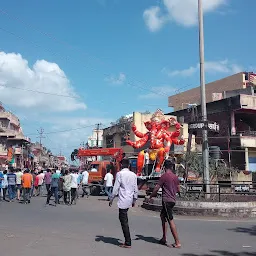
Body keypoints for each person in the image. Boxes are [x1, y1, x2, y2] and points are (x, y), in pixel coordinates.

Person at [147, 159, 181, 249]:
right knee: (163, 216)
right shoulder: (175, 177)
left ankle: (177, 242)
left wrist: (151, 196)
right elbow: (178, 189)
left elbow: (156, 188)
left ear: (165, 168)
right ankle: (164, 238)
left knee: (170, 220)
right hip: (173, 200)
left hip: (166, 200)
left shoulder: (164, 176)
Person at [109, 158, 138, 248]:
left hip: (123, 200)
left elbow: (116, 187)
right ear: (129, 165)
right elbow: (135, 188)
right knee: (123, 218)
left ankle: (128, 242)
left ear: (121, 165)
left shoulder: (120, 174)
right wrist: (134, 200)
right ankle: (127, 240)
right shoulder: (133, 175)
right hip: (129, 199)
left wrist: (111, 198)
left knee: (123, 220)